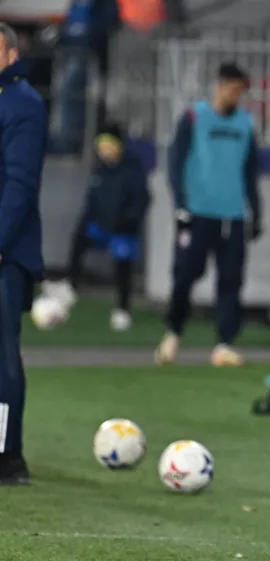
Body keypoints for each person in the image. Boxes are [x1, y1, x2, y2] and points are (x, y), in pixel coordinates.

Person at [157, 61, 262, 368]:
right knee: (185, 275)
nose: (235, 96)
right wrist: (180, 205)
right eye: (232, 89)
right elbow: (175, 163)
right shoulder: (194, 117)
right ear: (219, 86)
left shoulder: (245, 124)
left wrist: (256, 210)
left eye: (240, 91)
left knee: (231, 280)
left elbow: (250, 171)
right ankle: (173, 332)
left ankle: (224, 343)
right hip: (197, 212)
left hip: (231, 214)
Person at [44, 122, 150, 330]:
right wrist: (88, 220)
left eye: (108, 146)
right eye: (101, 146)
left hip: (123, 229)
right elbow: (91, 202)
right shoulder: (100, 171)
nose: (104, 151)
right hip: (101, 226)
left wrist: (126, 220)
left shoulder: (133, 171)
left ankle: (122, 309)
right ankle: (71, 285)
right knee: (80, 239)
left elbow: (141, 201)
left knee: (123, 265)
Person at [0, 23, 48, 486]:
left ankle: (6, 454)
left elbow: (20, 184)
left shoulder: (22, 104)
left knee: (1, 356)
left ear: (11, 54)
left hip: (6, 252)